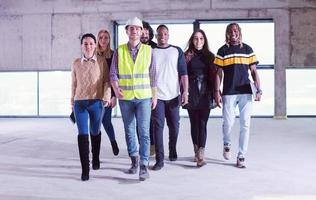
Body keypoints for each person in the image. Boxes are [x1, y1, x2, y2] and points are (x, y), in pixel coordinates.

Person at [109, 17, 157, 181]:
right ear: (127, 31)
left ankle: (144, 165)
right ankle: (134, 161)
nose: (135, 31)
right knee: (130, 131)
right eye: (132, 28)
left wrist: (155, 96)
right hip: (126, 98)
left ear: (142, 31)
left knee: (144, 132)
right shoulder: (119, 51)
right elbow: (113, 73)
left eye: (138, 28)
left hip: (144, 97)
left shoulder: (149, 50)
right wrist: (116, 89)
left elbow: (153, 75)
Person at [214, 23, 262, 168]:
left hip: (246, 92)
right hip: (229, 92)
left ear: (239, 32)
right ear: (227, 33)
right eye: (230, 31)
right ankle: (227, 143)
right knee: (228, 123)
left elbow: (254, 72)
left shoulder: (248, 49)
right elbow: (218, 73)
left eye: (235, 30)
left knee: (245, 125)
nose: (233, 33)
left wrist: (259, 90)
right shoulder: (222, 50)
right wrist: (217, 91)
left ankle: (241, 155)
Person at [71, 33, 111, 181]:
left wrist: (106, 97)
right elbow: (73, 83)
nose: (88, 46)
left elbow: (107, 81)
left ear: (95, 45)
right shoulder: (76, 63)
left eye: (91, 43)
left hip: (96, 102)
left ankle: (96, 158)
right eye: (85, 43)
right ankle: (85, 169)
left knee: (95, 131)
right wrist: (72, 100)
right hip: (80, 103)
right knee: (82, 134)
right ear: (82, 46)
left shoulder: (101, 62)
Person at [151, 24, 188, 171]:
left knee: (174, 126)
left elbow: (183, 73)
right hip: (157, 96)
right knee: (158, 127)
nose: (162, 36)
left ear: (168, 35)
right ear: (156, 36)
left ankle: (172, 148)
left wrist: (185, 92)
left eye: (165, 34)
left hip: (174, 95)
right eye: (159, 34)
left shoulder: (176, 51)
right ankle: (159, 159)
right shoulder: (151, 51)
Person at [184, 29, 216, 167]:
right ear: (192, 40)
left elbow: (214, 77)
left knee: (202, 123)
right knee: (194, 123)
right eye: (196, 38)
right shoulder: (187, 56)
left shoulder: (210, 56)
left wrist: (216, 93)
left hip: (205, 92)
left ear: (205, 40)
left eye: (201, 38)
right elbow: (182, 76)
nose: (198, 41)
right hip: (191, 91)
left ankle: (201, 155)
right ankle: (196, 150)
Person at [96, 29, 120, 156]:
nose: (103, 40)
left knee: (106, 121)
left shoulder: (113, 54)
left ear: (109, 39)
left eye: (106, 37)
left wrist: (114, 95)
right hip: (94, 93)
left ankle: (113, 141)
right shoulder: (93, 54)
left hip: (108, 92)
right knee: (95, 122)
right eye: (101, 37)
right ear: (98, 40)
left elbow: (115, 76)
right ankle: (96, 152)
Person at [140, 20, 157, 156]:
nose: (145, 34)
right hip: (139, 88)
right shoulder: (135, 47)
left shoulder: (155, 48)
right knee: (140, 121)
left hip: (153, 88)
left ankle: (153, 144)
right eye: (142, 31)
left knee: (153, 120)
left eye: (147, 31)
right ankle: (143, 144)